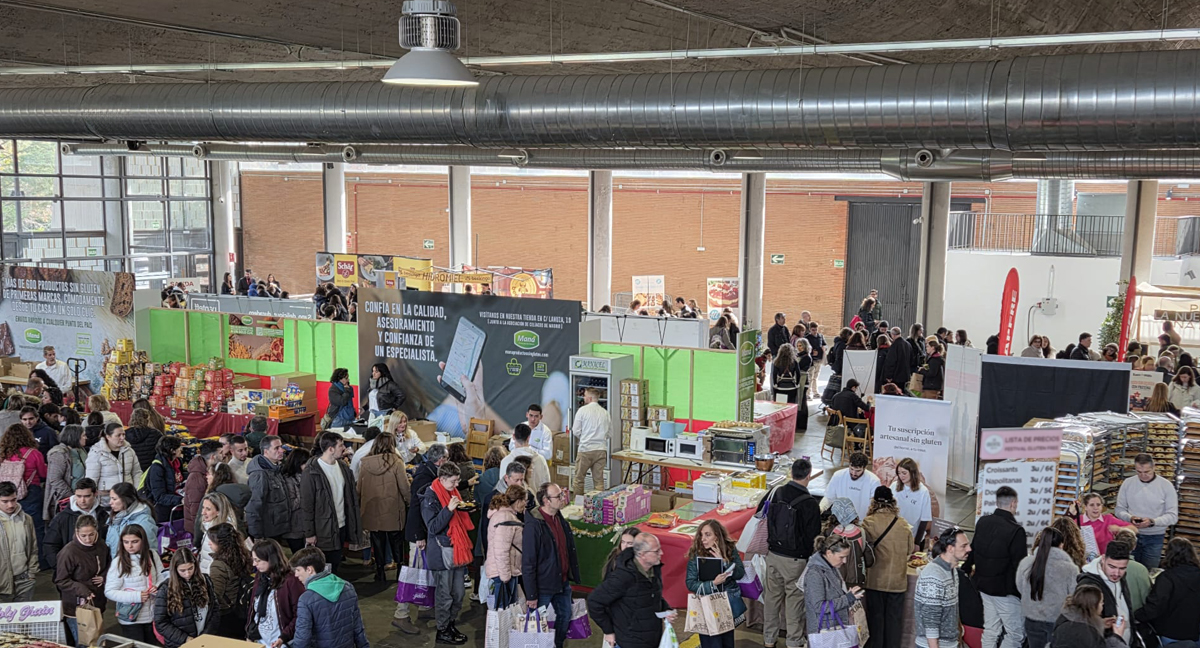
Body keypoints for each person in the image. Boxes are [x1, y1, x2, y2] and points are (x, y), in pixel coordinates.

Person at [759, 458, 821, 648]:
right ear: (809, 476)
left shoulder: (776, 491)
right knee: (794, 602)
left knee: (772, 599)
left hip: (773, 556)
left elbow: (760, 512)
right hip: (796, 561)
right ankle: (794, 641)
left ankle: (769, 639)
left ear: (791, 473)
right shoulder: (810, 503)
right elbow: (814, 535)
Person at [589, 533, 676, 648]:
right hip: (630, 642)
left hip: (651, 639)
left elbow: (652, 595)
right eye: (656, 551)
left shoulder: (653, 570)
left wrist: (666, 609)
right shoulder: (622, 577)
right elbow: (594, 602)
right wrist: (608, 631)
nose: (661, 553)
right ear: (642, 554)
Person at [968, 485, 1027, 648]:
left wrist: (966, 569)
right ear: (1014, 503)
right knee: (1015, 635)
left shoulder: (983, 521)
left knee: (991, 630)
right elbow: (1019, 567)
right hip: (1005, 591)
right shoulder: (1017, 531)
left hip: (983, 586)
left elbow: (972, 549)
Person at [523, 482, 580, 648]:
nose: (563, 498)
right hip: (543, 586)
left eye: (562, 495)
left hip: (561, 582)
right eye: (558, 496)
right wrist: (531, 595)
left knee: (565, 615)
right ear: (546, 500)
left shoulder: (558, 517)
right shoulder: (534, 525)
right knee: (536, 625)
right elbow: (528, 562)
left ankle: (557, 644)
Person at [422, 462, 473, 645]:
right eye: (453, 481)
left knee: (458, 593)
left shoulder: (451, 492)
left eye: (458, 480)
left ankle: (450, 624)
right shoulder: (430, 498)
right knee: (444, 595)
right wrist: (449, 510)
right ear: (442, 479)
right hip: (441, 553)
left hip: (456, 550)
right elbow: (433, 527)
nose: (456, 485)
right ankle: (442, 630)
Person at [299, 432, 361, 575]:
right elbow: (307, 505)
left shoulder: (343, 467)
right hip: (323, 529)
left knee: (336, 562)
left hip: (341, 525)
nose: (344, 448)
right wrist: (310, 533)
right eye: (341, 445)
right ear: (330, 449)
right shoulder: (311, 472)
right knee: (323, 565)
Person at [290, 546, 369, 648]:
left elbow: (302, 639)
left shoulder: (306, 599)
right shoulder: (348, 587)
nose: (296, 575)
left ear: (309, 569)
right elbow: (358, 627)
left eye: (298, 570)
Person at [862, 486, 911, 648]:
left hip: (875, 581)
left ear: (874, 502)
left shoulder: (868, 523)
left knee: (875, 623)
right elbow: (910, 550)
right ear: (892, 502)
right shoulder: (903, 525)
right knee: (894, 624)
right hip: (898, 583)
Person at [358, 432, 411, 583]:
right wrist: (410, 502)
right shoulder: (396, 462)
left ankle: (379, 572)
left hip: (372, 509)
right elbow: (404, 487)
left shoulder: (365, 462)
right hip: (392, 508)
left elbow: (359, 488)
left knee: (377, 541)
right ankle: (400, 571)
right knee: (396, 541)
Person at [685, 520, 746, 648]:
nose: (703, 539)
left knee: (727, 642)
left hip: (726, 605)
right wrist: (713, 584)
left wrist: (724, 561)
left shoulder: (730, 549)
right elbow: (691, 583)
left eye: (708, 535)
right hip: (706, 605)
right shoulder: (696, 554)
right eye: (701, 535)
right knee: (711, 643)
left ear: (717, 536)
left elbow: (740, 573)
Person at [1016, 527, 1079, 648]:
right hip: (1057, 620)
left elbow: (1020, 587)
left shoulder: (1026, 563)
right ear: (1061, 545)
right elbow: (1074, 596)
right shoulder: (1070, 569)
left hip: (1031, 618)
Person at [1115, 453, 1178, 568]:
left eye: (1147, 472)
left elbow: (1173, 516)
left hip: (1155, 537)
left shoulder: (1166, 486)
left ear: (1154, 467)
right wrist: (1130, 518)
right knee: (1127, 570)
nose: (1143, 475)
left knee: (1150, 571)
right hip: (1130, 534)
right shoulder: (1128, 483)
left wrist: (1153, 522)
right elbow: (1119, 510)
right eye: (1139, 472)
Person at [801, 532, 865, 644]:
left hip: (831, 627)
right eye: (842, 557)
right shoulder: (815, 574)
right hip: (824, 631)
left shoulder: (830, 566)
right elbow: (819, 607)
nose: (844, 561)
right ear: (829, 553)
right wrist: (847, 598)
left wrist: (847, 596)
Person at [55, 513, 109, 646]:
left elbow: (109, 565)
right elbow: (61, 580)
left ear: (96, 530)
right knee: (83, 642)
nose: (88, 539)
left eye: (91, 534)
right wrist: (82, 589)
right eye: (84, 535)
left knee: (95, 640)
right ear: (76, 532)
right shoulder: (68, 552)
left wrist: (104, 577)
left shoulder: (102, 546)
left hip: (97, 602)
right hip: (75, 607)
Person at [1135, 537, 1200, 645]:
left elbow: (1156, 605)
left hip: (1170, 631)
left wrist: (1137, 616)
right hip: (1195, 631)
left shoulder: (1167, 577)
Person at [105, 524, 164, 643]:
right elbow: (109, 591)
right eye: (126, 542)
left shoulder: (152, 555)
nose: (130, 546)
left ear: (143, 541)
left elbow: (163, 577)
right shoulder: (119, 562)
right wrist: (136, 596)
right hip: (131, 618)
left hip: (153, 614)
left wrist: (157, 587)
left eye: (135, 541)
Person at [915, 526, 972, 648]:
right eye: (964, 546)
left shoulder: (952, 570)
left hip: (949, 643)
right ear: (951, 549)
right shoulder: (934, 576)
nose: (969, 549)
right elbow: (930, 619)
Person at [154, 547, 219, 648]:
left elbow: (214, 610)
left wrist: (206, 635)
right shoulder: (165, 589)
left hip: (204, 640)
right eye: (182, 570)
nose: (187, 574)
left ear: (195, 566)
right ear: (175, 569)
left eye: (190, 568)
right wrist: (185, 639)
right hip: (179, 643)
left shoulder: (206, 580)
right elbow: (161, 622)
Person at [1077, 539, 1137, 646]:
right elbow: (1082, 622)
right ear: (1103, 559)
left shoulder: (1120, 577)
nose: (1117, 573)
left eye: (1122, 568)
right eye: (1112, 567)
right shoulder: (1088, 584)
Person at [247, 539, 304, 648]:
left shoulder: (291, 581)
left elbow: (299, 614)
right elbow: (253, 607)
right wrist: (249, 633)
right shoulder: (261, 576)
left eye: (257, 560)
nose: (254, 564)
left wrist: (284, 637)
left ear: (270, 559)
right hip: (260, 639)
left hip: (283, 642)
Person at [0, 423, 46, 553]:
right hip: (31, 491)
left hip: (7, 494)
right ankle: (40, 559)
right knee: (35, 526)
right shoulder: (34, 453)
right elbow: (43, 474)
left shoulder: (3, 454)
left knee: (11, 526)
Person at [44, 477, 108, 568]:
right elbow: (50, 544)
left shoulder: (103, 515)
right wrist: (60, 567)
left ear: (95, 494)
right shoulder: (62, 517)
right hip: (71, 569)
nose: (82, 500)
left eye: (87, 496)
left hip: (98, 569)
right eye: (79, 496)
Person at [206, 522, 253, 638]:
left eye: (212, 541)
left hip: (226, 615)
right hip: (242, 609)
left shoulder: (218, 566)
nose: (209, 543)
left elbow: (216, 595)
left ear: (221, 544)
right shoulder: (242, 555)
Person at [484, 484, 527, 606]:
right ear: (518, 501)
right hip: (503, 574)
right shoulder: (505, 518)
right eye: (524, 500)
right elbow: (501, 550)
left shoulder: (503, 515)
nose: (525, 504)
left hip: (505, 571)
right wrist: (505, 576)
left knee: (504, 611)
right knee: (504, 613)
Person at [247, 434, 291, 543]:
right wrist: (257, 535)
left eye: (281, 446)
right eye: (276, 448)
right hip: (267, 532)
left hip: (278, 529)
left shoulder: (275, 468)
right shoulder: (260, 475)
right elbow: (254, 507)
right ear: (266, 451)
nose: (282, 450)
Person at [1053, 583, 1127, 648]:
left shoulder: (1065, 619)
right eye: (1101, 602)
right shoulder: (1088, 633)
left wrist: (1101, 623)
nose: (1103, 605)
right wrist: (1117, 636)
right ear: (1093, 605)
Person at [1068, 492, 1134, 562]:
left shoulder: (1109, 519)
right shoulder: (1078, 521)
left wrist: (1119, 529)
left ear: (1102, 507)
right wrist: (1071, 514)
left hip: (1105, 562)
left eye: (1098, 505)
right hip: (1083, 562)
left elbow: (1134, 529)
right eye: (1092, 505)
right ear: (1085, 507)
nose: (1095, 508)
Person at [0, 481, 37, 603]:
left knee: (23, 620)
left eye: (14, 500)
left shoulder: (27, 519)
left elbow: (33, 547)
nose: (10, 505)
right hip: (2, 581)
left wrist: (32, 572)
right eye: (5, 501)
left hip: (24, 580)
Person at [85, 422, 140, 500]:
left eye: (123, 434)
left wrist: (135, 490)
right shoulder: (96, 453)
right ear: (108, 437)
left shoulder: (129, 451)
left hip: (128, 498)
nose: (122, 438)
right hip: (105, 500)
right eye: (118, 435)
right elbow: (91, 479)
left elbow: (137, 472)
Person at [572, 387, 610, 494]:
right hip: (601, 450)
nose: (583, 398)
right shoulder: (605, 413)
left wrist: (584, 437)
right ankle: (599, 506)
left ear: (589, 398)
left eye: (584, 396)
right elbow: (610, 433)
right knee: (599, 481)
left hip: (585, 449)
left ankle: (578, 505)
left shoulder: (582, 410)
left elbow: (575, 431)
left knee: (579, 479)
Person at [106, 482, 159, 558]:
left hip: (135, 566)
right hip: (116, 565)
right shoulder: (115, 517)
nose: (110, 502)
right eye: (110, 498)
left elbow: (150, 550)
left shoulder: (144, 521)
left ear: (126, 500)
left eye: (114, 499)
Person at [825, 451, 881, 522]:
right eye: (851, 469)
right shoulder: (838, 475)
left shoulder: (873, 481)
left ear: (865, 468)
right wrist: (821, 508)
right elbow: (829, 497)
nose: (853, 473)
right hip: (839, 521)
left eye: (858, 471)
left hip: (862, 521)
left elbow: (874, 506)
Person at [143, 434, 185, 523]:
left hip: (178, 507)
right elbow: (159, 496)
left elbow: (180, 479)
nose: (181, 449)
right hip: (164, 512)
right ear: (172, 450)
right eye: (179, 447)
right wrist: (180, 500)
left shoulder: (178, 462)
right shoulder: (157, 468)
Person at [499, 422, 551, 493]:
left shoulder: (506, 461)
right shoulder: (540, 459)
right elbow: (547, 486)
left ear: (513, 437)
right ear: (529, 438)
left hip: (512, 503)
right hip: (537, 502)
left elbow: (503, 489)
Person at [892, 457, 932, 548]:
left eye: (904, 473)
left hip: (913, 535)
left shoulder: (923, 491)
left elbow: (924, 519)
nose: (901, 476)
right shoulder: (894, 486)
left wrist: (917, 543)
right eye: (899, 473)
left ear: (913, 473)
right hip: (895, 534)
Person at [184, 440, 222, 532]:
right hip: (200, 530)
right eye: (220, 453)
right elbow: (196, 510)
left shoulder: (205, 472)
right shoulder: (197, 479)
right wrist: (200, 532)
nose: (223, 456)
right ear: (213, 457)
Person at [196, 492, 239, 573]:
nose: (203, 512)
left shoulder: (224, 532)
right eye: (203, 508)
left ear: (219, 511)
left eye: (208, 509)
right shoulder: (209, 525)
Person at [1111, 528, 1150, 613]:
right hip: (1133, 614)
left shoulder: (1102, 564)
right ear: (1134, 546)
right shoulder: (1140, 569)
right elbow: (1146, 597)